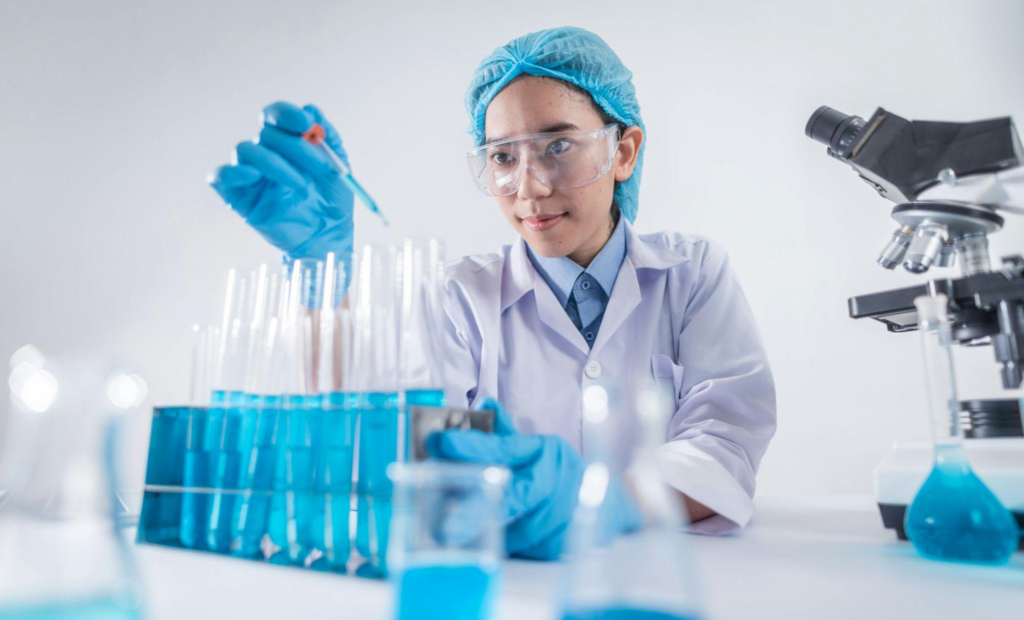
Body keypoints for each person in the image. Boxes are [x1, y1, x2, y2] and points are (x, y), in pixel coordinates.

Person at [210, 26, 777, 560]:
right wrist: (322, 281)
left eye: (558, 147)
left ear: (622, 152)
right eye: (503, 156)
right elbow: (394, 439)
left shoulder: (692, 273)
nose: (528, 187)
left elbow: (725, 445)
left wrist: (606, 503)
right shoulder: (460, 295)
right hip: (508, 582)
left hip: (663, 577)